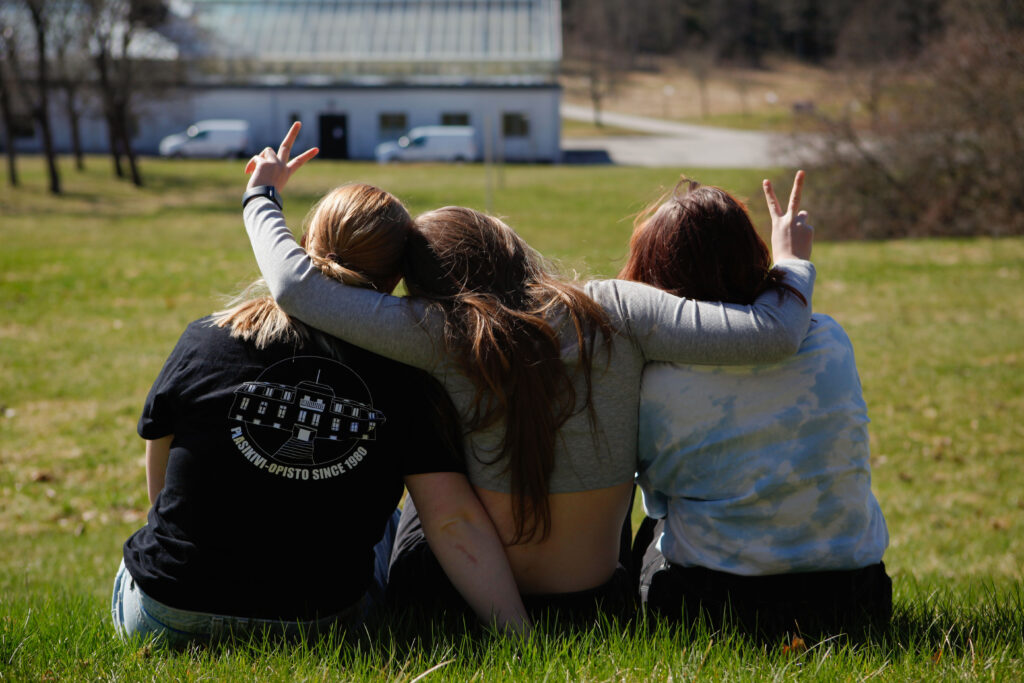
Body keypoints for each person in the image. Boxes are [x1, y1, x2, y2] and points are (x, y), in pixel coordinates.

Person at [239, 124, 816, 625]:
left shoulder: (441, 331)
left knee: (427, 466)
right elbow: (777, 333)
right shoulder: (615, 307)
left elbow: (295, 288)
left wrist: (261, 194)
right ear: (512, 247)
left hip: (457, 602)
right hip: (596, 599)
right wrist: (791, 260)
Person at [111, 132, 530, 647]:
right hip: (316, 623)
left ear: (306, 243)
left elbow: (164, 473)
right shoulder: (406, 374)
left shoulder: (206, 337)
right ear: (398, 276)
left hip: (165, 611)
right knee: (396, 522)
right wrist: (521, 636)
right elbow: (453, 522)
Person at [621, 177, 891, 638]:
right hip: (857, 599)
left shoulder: (657, 376)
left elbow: (660, 498)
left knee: (649, 528)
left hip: (714, 605)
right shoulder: (829, 337)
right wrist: (790, 268)